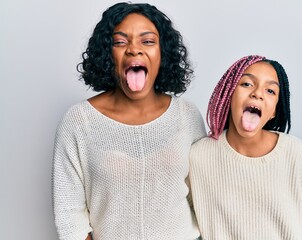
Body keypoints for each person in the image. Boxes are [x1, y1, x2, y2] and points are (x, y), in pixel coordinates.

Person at [52, 2, 205, 240]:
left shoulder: (187, 116)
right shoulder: (78, 121)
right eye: (120, 42)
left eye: (148, 41)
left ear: (163, 53)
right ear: (107, 54)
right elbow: (69, 216)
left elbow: (203, 199)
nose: (134, 49)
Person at [189, 55, 302, 239]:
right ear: (229, 95)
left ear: (274, 110)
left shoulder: (294, 153)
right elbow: (181, 224)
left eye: (270, 91)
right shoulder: (198, 157)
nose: (257, 93)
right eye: (246, 84)